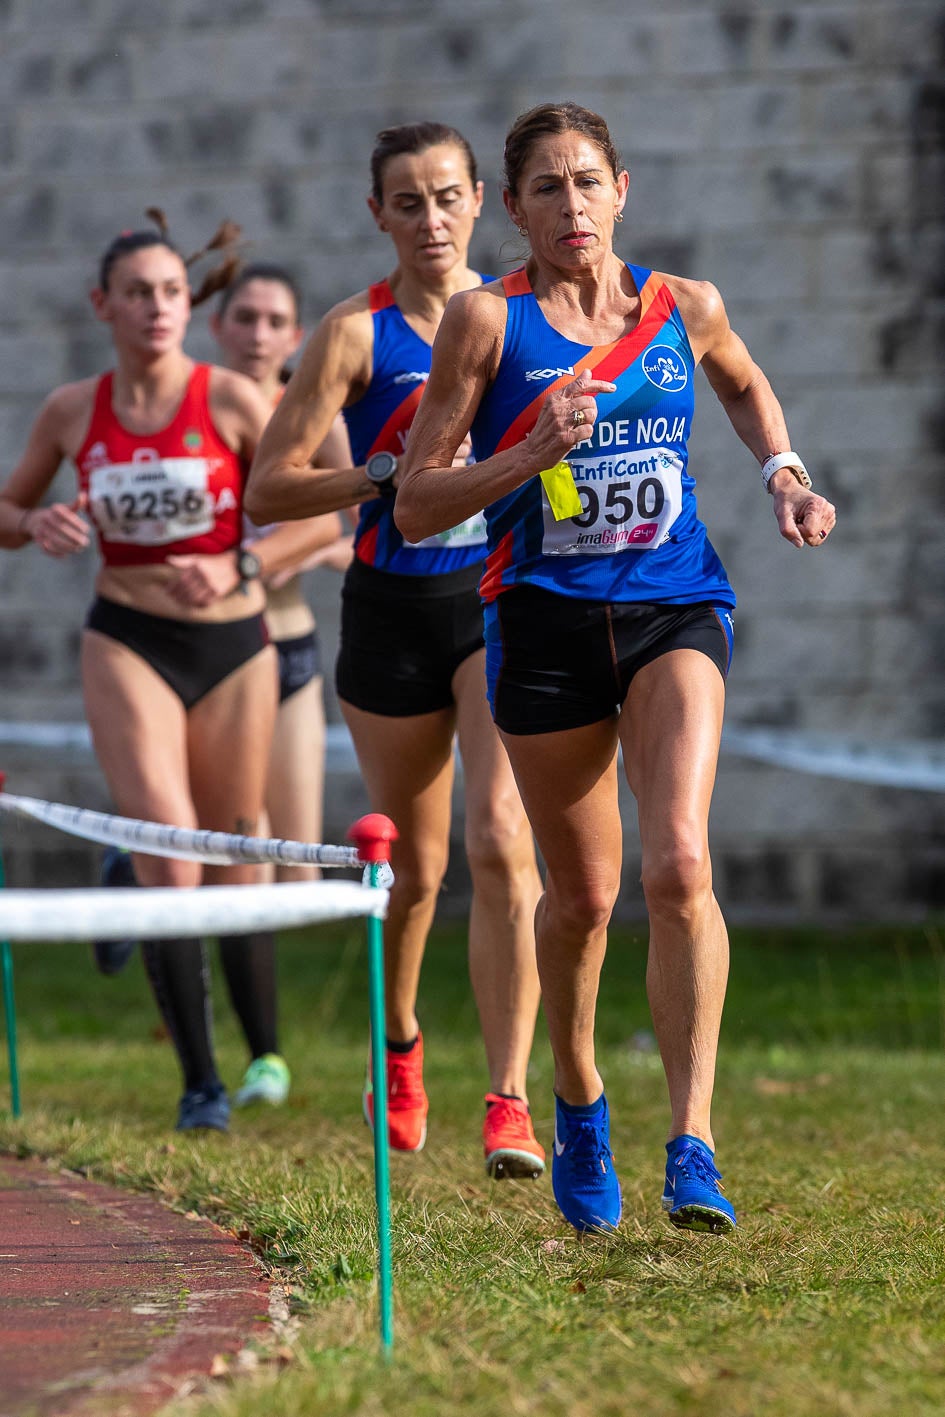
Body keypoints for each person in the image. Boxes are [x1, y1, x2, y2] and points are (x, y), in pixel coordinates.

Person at [395, 101, 837, 1233]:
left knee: (680, 862)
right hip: (542, 626)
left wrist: (782, 470)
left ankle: (692, 1140)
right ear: (516, 207)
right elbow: (416, 497)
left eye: (588, 181)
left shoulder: (681, 307)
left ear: (622, 190)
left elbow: (739, 381)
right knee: (583, 898)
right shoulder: (484, 327)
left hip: (671, 607)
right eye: (546, 187)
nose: (571, 205)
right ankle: (580, 1100)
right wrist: (530, 453)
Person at [244, 122, 546, 1180]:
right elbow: (269, 488)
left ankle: (509, 1097)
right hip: (389, 608)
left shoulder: (522, 317)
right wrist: (376, 475)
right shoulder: (352, 335)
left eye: (448, 197)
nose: (431, 220)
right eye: (407, 203)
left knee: (502, 835)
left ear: (482, 203)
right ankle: (403, 1043)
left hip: (495, 599)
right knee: (414, 869)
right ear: (377, 214)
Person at [0, 216, 293, 1133]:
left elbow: (317, 509)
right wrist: (34, 522)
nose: (158, 307)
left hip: (235, 643)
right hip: (127, 636)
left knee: (234, 850)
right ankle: (200, 1085)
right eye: (138, 293)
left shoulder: (236, 400)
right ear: (105, 306)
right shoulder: (71, 410)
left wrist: (243, 564)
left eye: (171, 291)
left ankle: (263, 1051)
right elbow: (8, 507)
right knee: (175, 852)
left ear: (186, 302)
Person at [210, 263, 352, 1106]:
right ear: (221, 326)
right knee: (242, 859)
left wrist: (293, 549)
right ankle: (265, 1054)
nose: (261, 334)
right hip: (217, 651)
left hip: (291, 644)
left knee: (293, 872)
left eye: (276, 320)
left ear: (296, 335)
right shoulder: (197, 408)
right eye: (246, 318)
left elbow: (348, 512)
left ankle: (136, 853)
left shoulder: (309, 409)